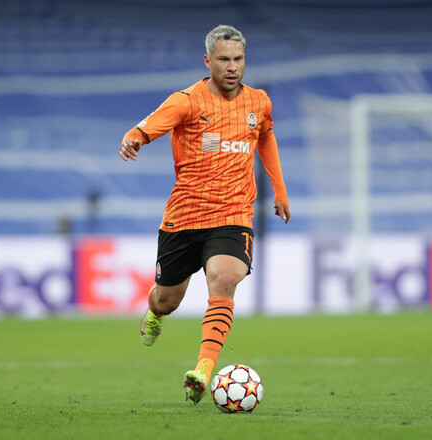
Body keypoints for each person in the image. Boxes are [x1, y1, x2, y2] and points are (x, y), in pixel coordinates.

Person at [119, 24, 290, 405]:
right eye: (224, 59)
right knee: (168, 300)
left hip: (233, 213)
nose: (232, 67)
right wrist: (134, 139)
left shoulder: (259, 102)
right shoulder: (187, 101)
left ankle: (203, 370)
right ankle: (155, 311)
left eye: (239, 59)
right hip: (185, 217)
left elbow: (265, 136)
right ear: (208, 61)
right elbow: (147, 127)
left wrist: (279, 190)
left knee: (224, 280)